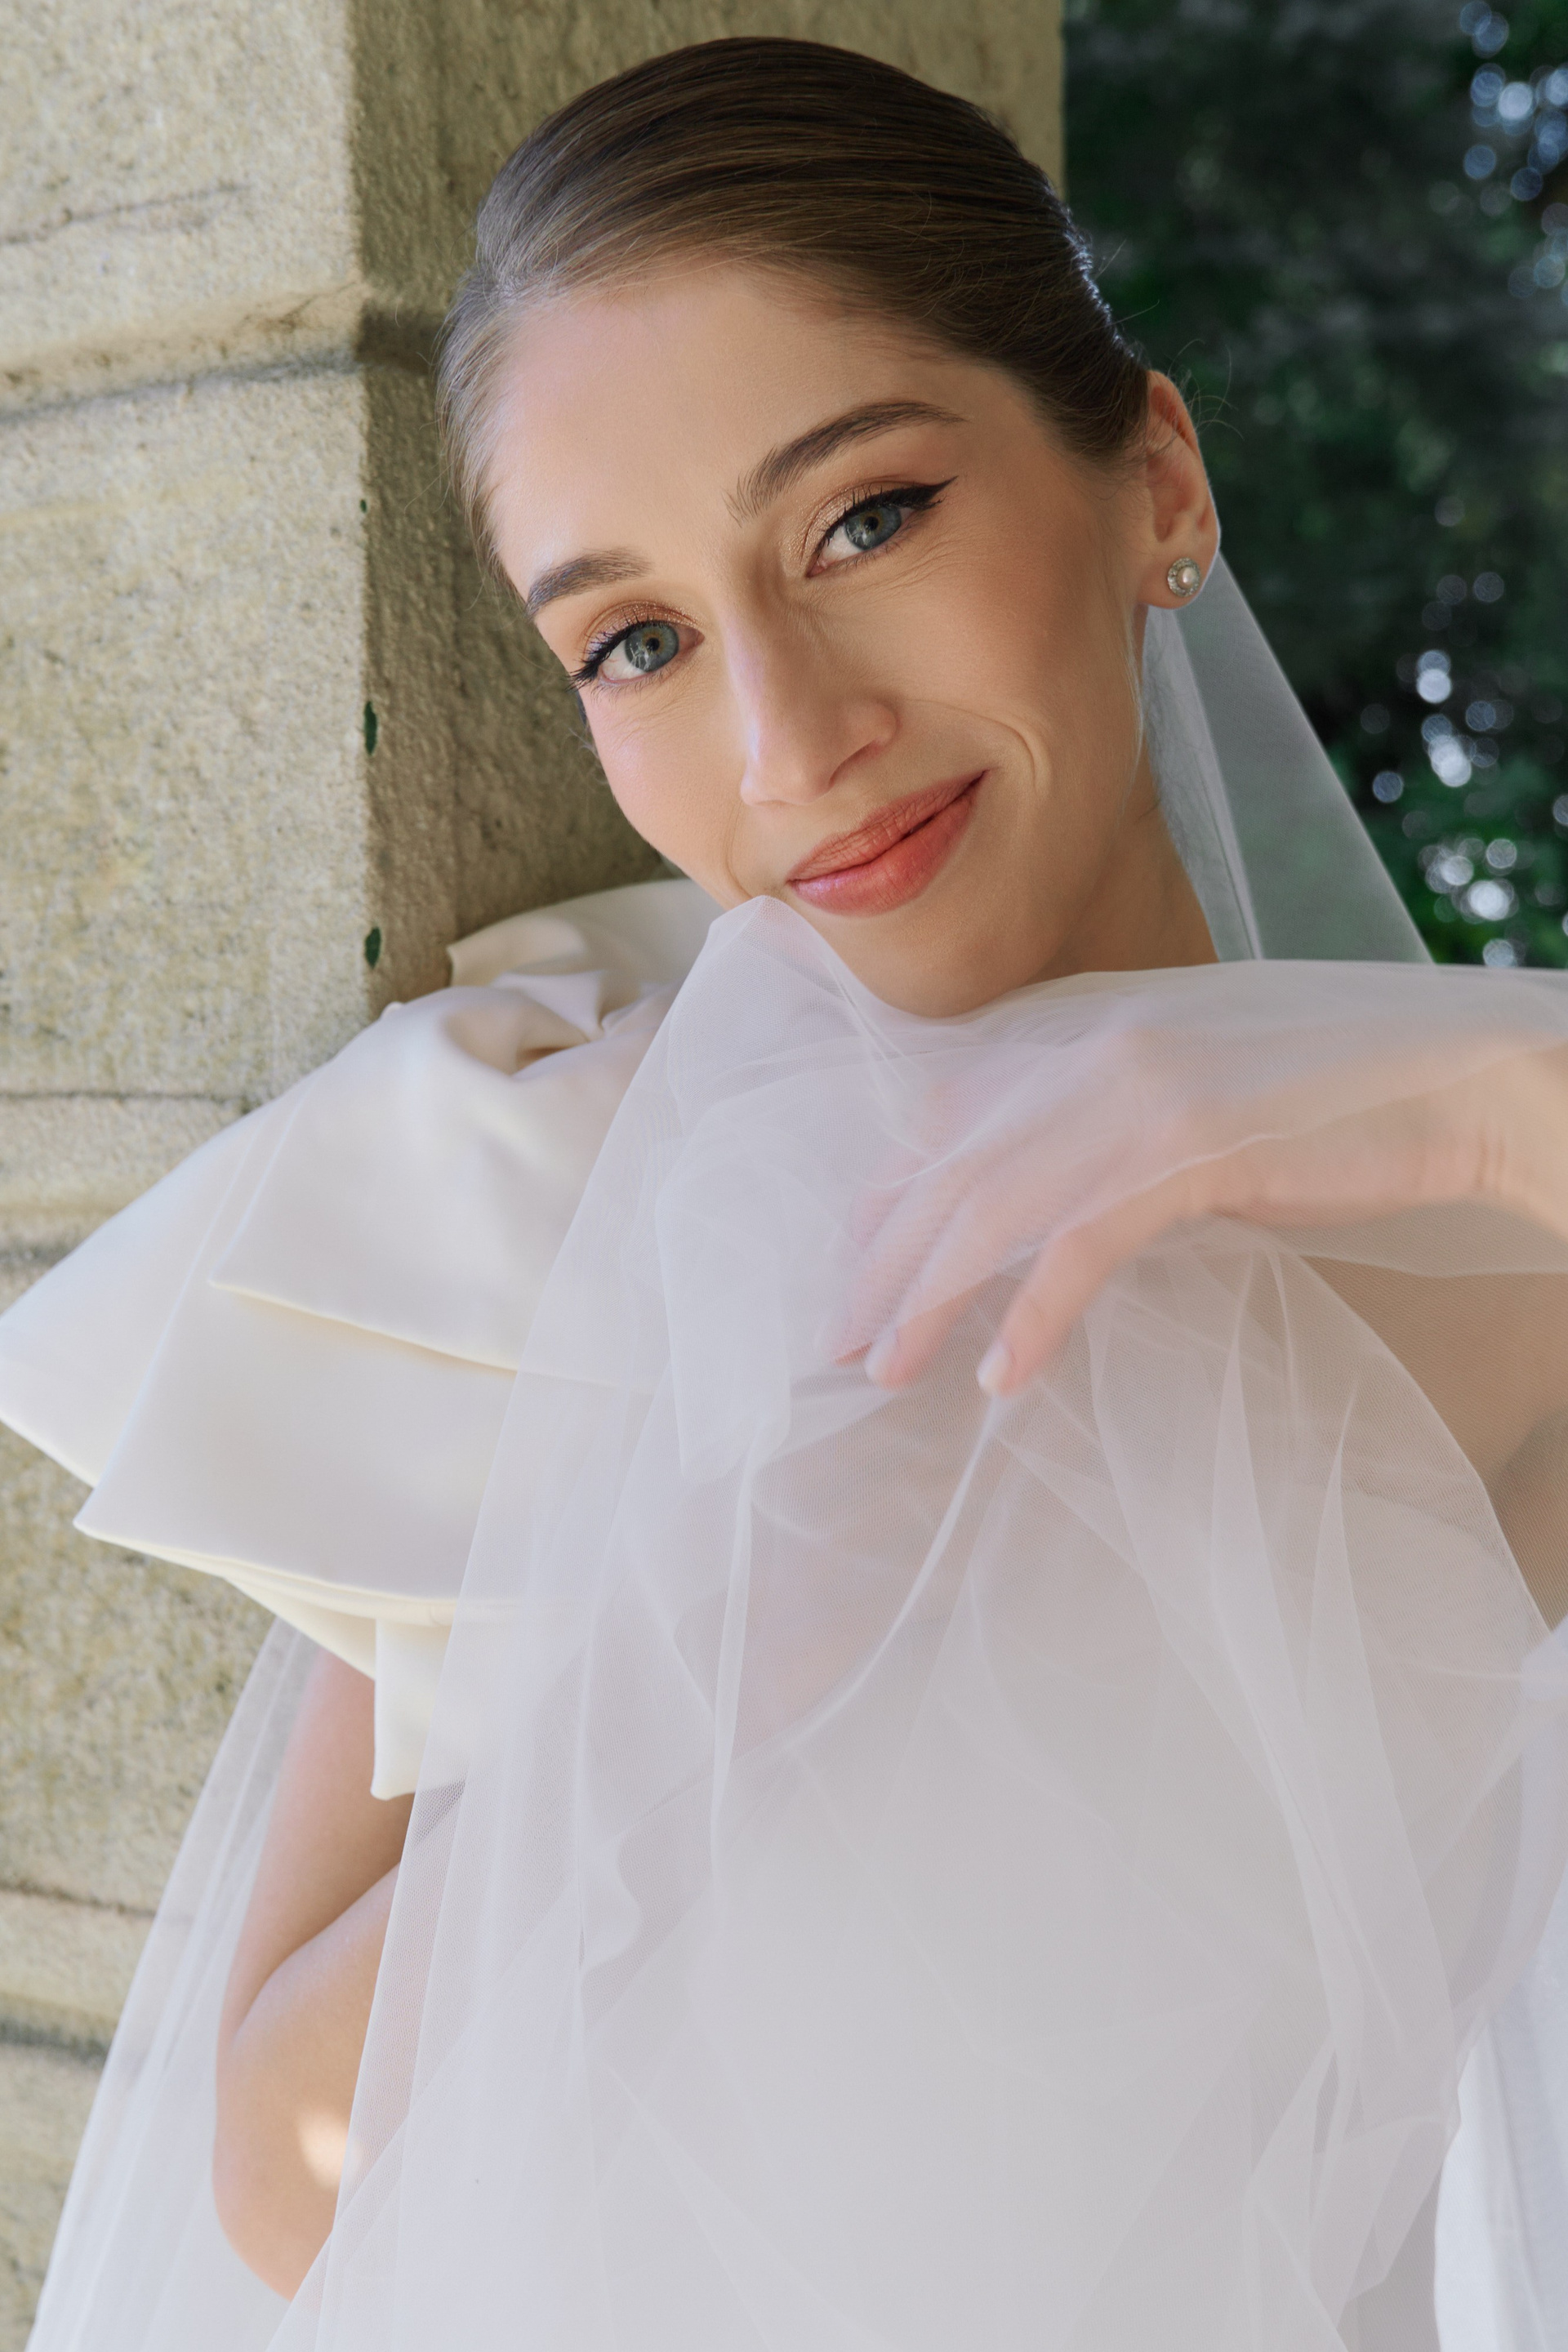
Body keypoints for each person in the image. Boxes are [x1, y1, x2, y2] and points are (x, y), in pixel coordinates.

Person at [5, 36, 1568, 2350]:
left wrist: (1486, 1107)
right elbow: (289, 2179)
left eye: (863, 521)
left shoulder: (1494, 1247)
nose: (786, 741)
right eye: (636, 640)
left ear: (1156, 479)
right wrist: (763, 1630)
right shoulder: (573, 1179)